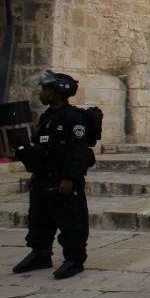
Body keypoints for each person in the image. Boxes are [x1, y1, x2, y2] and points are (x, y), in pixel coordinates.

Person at [11, 71, 97, 279]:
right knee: (39, 217)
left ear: (57, 93)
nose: (42, 93)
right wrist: (35, 173)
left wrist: (70, 178)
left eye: (46, 89)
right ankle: (40, 253)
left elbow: (78, 152)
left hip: (64, 179)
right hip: (44, 176)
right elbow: (42, 147)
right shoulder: (47, 117)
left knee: (71, 220)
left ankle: (74, 259)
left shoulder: (74, 118)